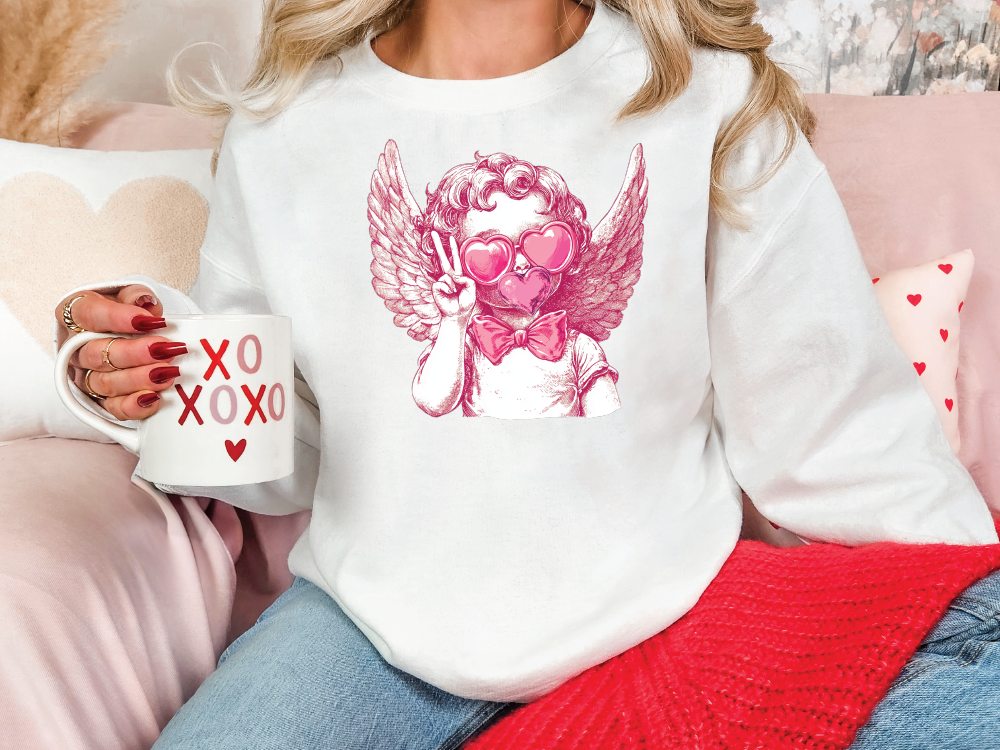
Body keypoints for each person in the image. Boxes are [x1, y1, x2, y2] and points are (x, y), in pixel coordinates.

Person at [54, 0, 1000, 747]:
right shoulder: (288, 128)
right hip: (367, 624)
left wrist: (967, 595)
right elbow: (285, 454)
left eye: (543, 242)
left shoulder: (710, 98)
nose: (518, 267)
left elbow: (825, 415)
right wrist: (156, 384)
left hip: (670, 603)